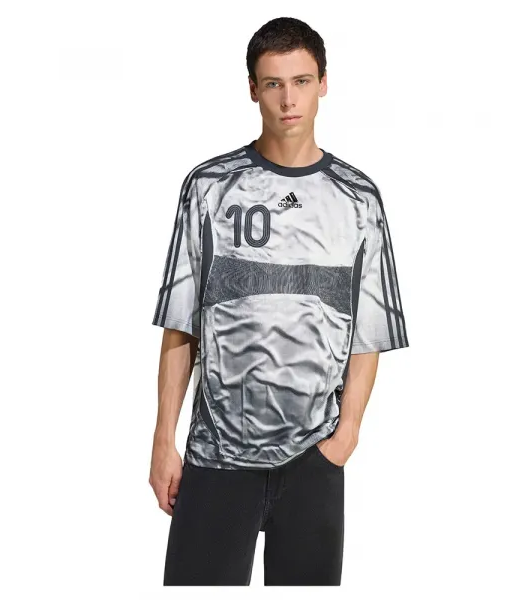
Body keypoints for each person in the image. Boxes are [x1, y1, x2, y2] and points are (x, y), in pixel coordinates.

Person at [148, 16, 409, 586]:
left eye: (301, 81)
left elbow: (368, 331)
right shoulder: (209, 187)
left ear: (323, 84)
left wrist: (346, 437)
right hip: (217, 455)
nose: (288, 99)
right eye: (273, 83)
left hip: (314, 459)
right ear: (252, 89)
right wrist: (163, 441)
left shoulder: (358, 199)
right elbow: (180, 325)